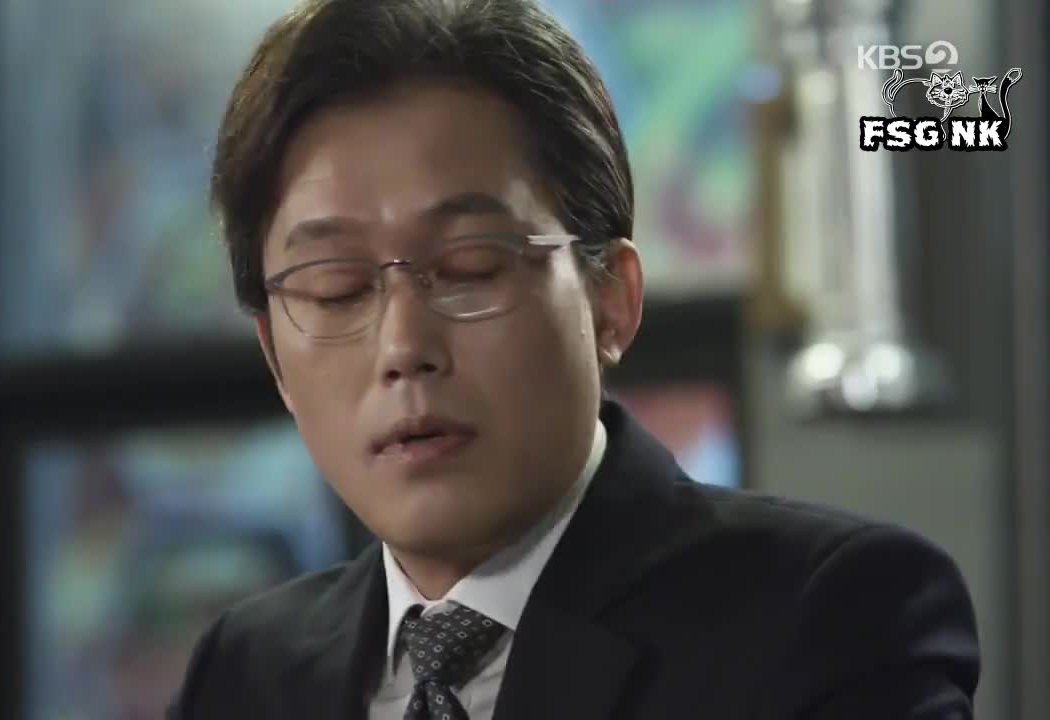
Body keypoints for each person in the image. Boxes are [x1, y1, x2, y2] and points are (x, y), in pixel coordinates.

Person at [168, 1, 980, 718]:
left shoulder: (827, 618)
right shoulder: (244, 673)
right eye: (338, 288)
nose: (403, 348)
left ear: (610, 299)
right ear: (275, 357)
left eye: (470, 267)